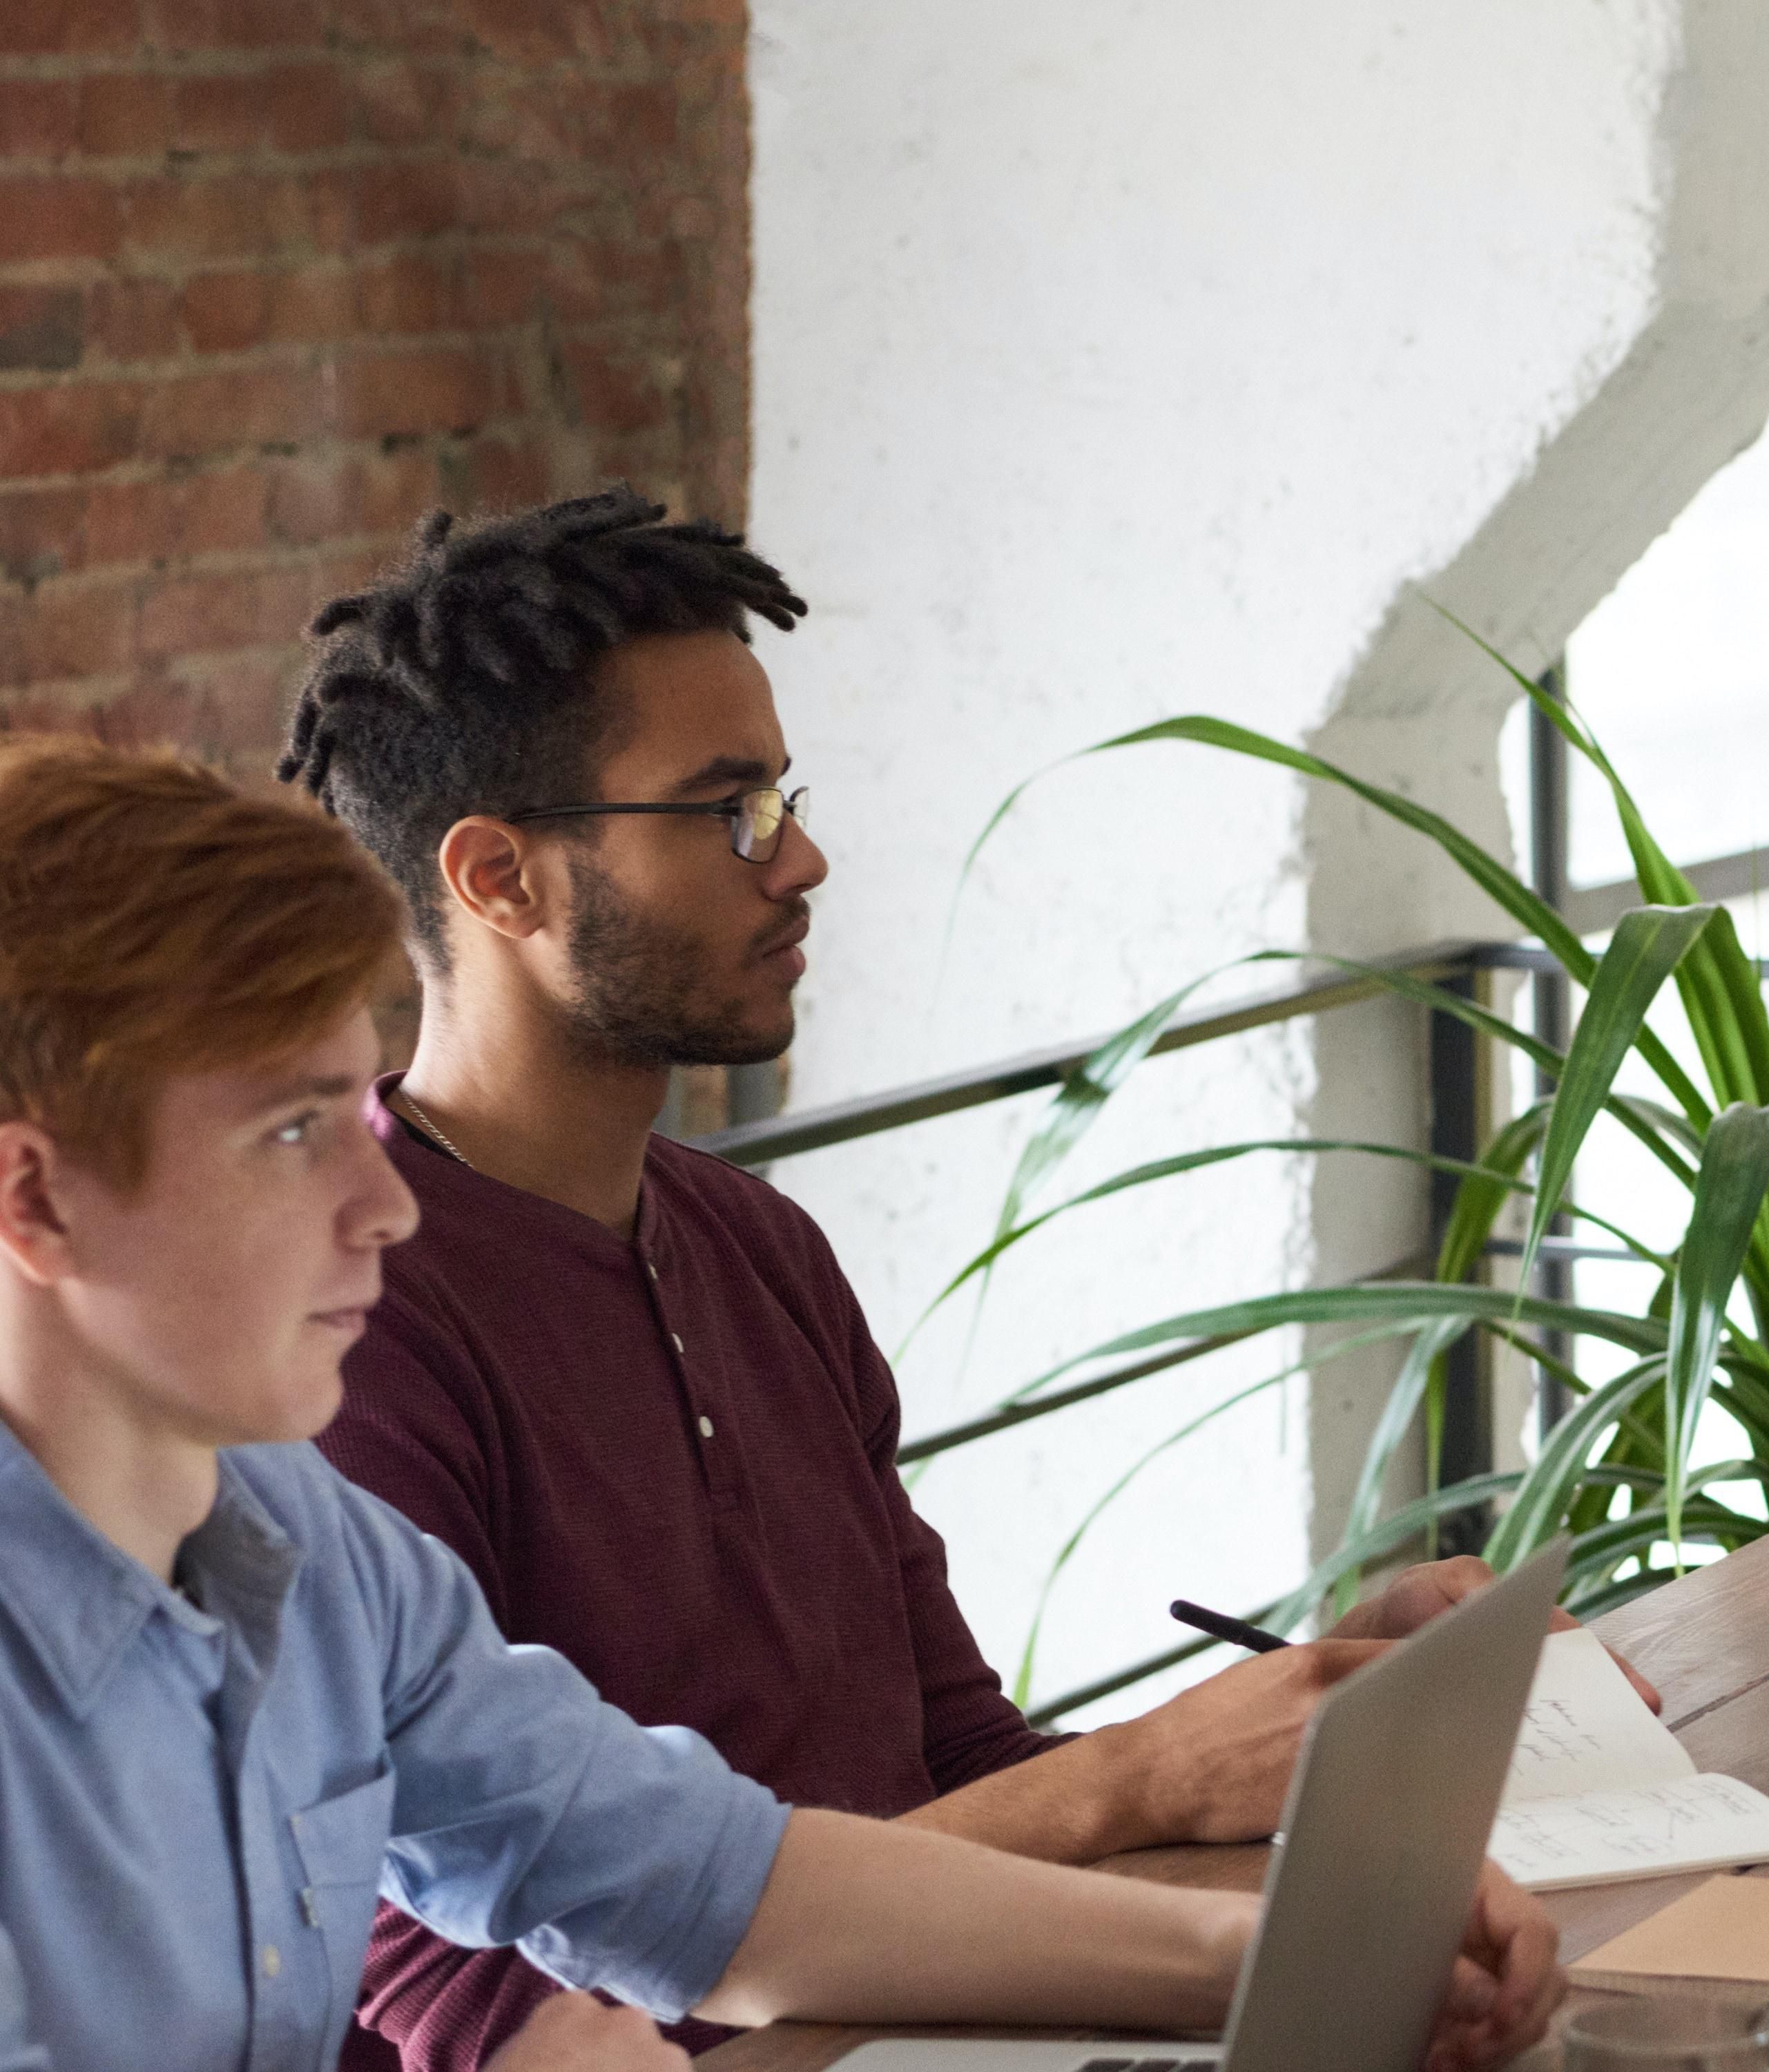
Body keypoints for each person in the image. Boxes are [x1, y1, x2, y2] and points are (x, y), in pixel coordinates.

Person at [271, 488, 1640, 2069]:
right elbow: (503, 1994)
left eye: (782, 797)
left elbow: (954, 1761)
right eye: (727, 812)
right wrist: (1150, 1785)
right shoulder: (339, 1328)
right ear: (500, 878)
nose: (801, 860)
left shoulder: (753, 1244)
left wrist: (1287, 1765)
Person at [0, 738, 1561, 2072]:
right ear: (37, 1200)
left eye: (357, 1107)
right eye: (289, 1134)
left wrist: (1287, 1963)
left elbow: (718, 1893)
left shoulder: (313, 1552)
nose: (384, 1205)